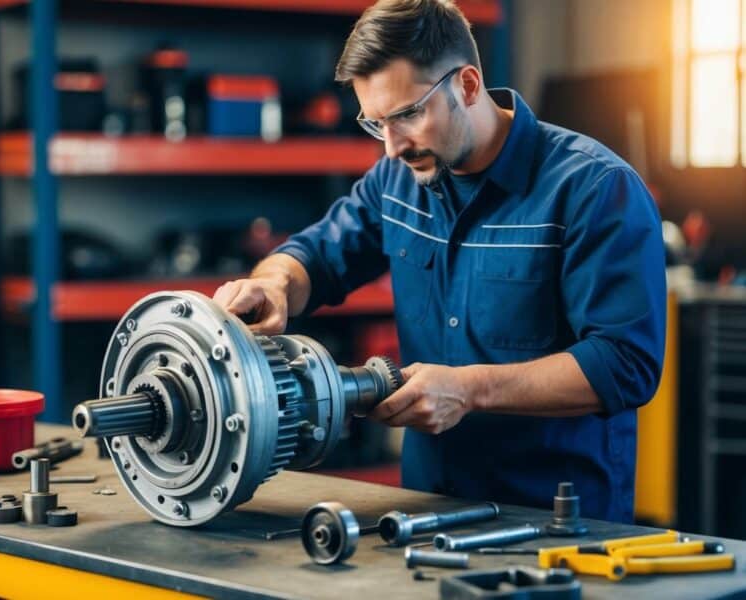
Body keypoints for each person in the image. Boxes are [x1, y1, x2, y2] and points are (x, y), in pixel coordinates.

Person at [213, 0, 665, 523]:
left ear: (468, 85)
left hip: (558, 523)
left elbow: (625, 365)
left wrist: (470, 389)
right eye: (375, 122)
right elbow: (314, 256)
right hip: (427, 513)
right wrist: (272, 285)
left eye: (407, 114)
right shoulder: (398, 180)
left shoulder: (593, 189)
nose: (391, 147)